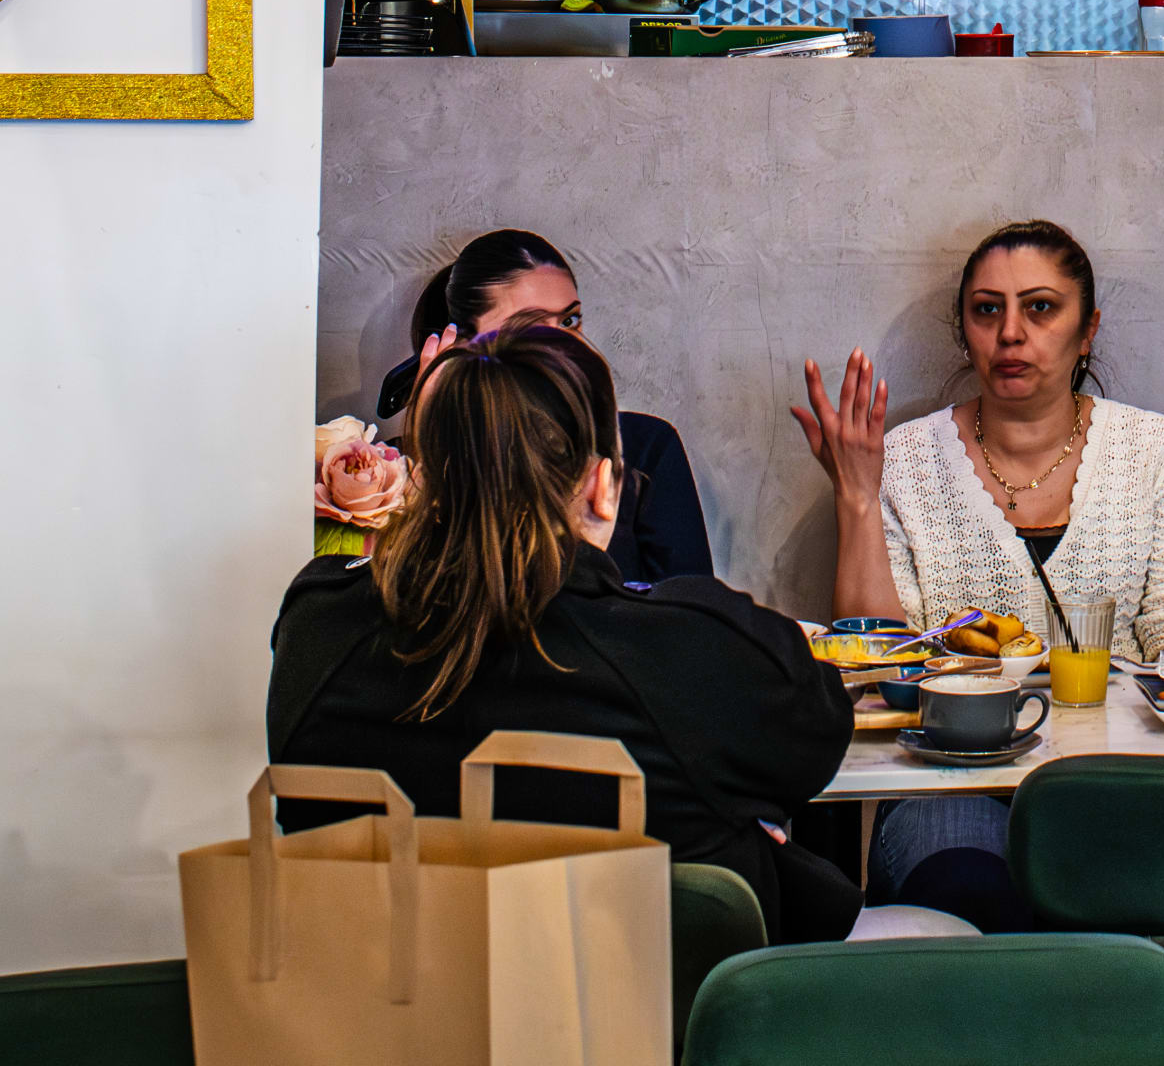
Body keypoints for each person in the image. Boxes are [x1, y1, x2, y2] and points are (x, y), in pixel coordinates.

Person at [274, 321, 860, 941]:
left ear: (422, 483)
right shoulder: (689, 650)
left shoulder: (318, 625)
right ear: (602, 490)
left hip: (383, 1026)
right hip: (669, 1032)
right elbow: (815, 736)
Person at [794, 219, 1164, 925]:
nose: (1011, 333)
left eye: (1041, 308)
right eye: (987, 310)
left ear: (1087, 330)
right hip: (949, 781)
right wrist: (858, 495)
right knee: (966, 894)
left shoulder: (1157, 452)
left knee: (1117, 907)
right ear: (964, 329)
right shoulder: (904, 456)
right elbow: (882, 666)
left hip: (1112, 780)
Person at [375, 226, 714, 584]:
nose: (566, 347)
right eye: (532, 326)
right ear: (457, 348)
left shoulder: (642, 448)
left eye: (569, 321)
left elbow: (695, 620)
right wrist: (439, 443)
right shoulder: (390, 475)